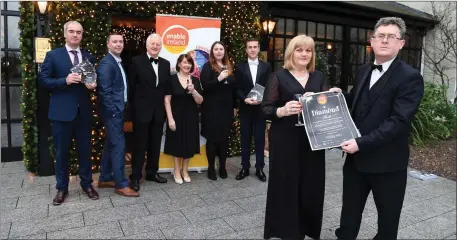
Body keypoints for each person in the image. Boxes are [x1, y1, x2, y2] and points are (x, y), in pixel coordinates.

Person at [332, 17, 424, 240]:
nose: (384, 40)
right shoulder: (364, 70)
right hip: (355, 163)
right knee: (349, 217)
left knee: (387, 223)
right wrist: (336, 97)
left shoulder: (410, 77)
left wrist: (360, 143)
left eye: (391, 36)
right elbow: (359, 101)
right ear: (372, 41)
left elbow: (398, 122)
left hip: (388, 165)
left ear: (401, 43)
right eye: (380, 36)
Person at [261, 35, 330, 239]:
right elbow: (265, 109)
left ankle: (307, 227)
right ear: (291, 52)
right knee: (286, 183)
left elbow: (327, 109)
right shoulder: (278, 77)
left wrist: (331, 97)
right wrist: (282, 111)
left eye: (308, 50)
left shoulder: (319, 77)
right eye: (299, 50)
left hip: (312, 141)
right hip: (285, 139)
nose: (304, 54)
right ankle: (286, 230)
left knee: (311, 185)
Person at [39, 20, 99, 205]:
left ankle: (87, 184)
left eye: (78, 32)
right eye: (71, 31)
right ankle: (61, 189)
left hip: (83, 114)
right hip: (61, 114)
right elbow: (44, 81)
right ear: (65, 34)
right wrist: (64, 80)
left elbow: (92, 82)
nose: (75, 35)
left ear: (82, 35)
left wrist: (92, 85)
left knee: (85, 151)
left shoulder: (88, 57)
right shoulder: (53, 55)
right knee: (61, 153)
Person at [96, 33, 139, 197]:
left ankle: (105, 177)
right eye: (115, 42)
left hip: (116, 112)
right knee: (119, 146)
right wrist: (114, 111)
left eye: (121, 41)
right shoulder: (107, 63)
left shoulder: (116, 61)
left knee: (110, 144)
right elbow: (104, 92)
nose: (118, 44)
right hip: (113, 113)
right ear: (108, 44)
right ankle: (121, 184)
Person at [128, 34, 171, 191]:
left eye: (158, 44)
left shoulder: (166, 64)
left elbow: (166, 89)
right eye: (152, 44)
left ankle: (152, 172)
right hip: (141, 112)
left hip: (158, 112)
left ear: (161, 47)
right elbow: (131, 89)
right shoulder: (136, 61)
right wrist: (132, 111)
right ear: (146, 46)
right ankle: (135, 176)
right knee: (139, 145)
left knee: (155, 144)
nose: (155, 47)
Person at [234, 39, 271, 182]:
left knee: (260, 139)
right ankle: (245, 167)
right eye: (250, 47)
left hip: (260, 109)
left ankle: (260, 168)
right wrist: (244, 99)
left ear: (259, 48)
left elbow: (269, 86)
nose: (253, 49)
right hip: (246, 108)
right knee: (245, 139)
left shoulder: (266, 66)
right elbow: (236, 87)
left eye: (255, 47)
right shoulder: (240, 66)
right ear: (246, 50)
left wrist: (264, 99)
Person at [164, 53, 203, 184]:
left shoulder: (195, 80)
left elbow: (200, 101)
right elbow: (167, 100)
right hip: (175, 116)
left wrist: (194, 91)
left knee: (189, 144)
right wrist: (170, 119)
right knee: (177, 144)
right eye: (184, 62)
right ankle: (176, 170)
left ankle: (185, 170)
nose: (187, 65)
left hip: (191, 117)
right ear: (179, 64)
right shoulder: (171, 79)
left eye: (189, 62)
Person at [200, 41, 237, 180]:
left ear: (224, 51)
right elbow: (205, 87)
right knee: (212, 140)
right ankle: (211, 168)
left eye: (221, 49)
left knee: (224, 140)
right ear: (212, 52)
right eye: (216, 49)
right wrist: (219, 78)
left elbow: (233, 89)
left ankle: (222, 167)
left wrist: (235, 106)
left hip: (226, 109)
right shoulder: (207, 66)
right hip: (211, 109)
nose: (219, 51)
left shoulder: (229, 66)